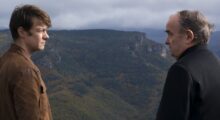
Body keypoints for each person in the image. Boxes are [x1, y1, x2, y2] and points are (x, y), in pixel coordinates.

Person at [156, 10, 220, 120]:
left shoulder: (182, 70)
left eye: (170, 34)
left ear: (188, 36)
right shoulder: (215, 62)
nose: (166, 41)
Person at [0, 4, 52, 120]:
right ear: (22, 32)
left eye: (46, 30)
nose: (46, 36)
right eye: (41, 30)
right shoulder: (25, 70)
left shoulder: (4, 61)